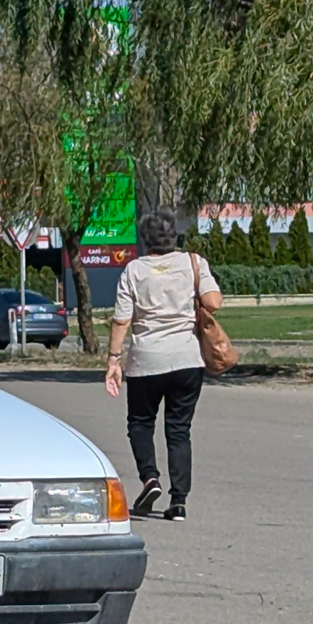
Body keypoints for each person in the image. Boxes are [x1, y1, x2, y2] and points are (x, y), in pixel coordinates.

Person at [104, 211, 223, 521]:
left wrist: (113, 361)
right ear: (174, 237)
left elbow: (121, 320)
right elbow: (214, 302)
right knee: (179, 430)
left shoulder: (133, 271)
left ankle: (150, 478)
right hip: (186, 359)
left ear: (145, 240)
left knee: (140, 423)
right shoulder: (193, 263)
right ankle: (179, 501)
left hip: (146, 361)